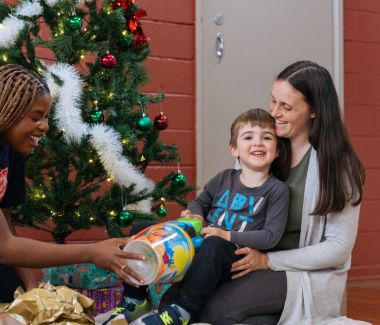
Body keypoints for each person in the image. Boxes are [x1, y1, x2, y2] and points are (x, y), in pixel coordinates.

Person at [195, 60, 366, 325]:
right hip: (248, 260)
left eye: (286, 107)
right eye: (273, 101)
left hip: (299, 274)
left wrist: (267, 261)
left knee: (216, 311)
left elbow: (338, 248)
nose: (274, 112)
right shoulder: (265, 146)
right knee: (201, 301)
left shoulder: (337, 166)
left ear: (314, 111)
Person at [103, 108, 290, 325]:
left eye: (267, 138)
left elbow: (271, 236)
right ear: (234, 149)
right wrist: (195, 215)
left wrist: (226, 235)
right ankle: (135, 300)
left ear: (277, 150)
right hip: (199, 244)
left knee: (214, 245)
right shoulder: (224, 178)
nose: (258, 143)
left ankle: (180, 312)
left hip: (230, 256)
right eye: (248, 137)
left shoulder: (277, 190)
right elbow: (200, 202)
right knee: (141, 230)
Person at [0, 64, 145, 303]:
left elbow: (5, 221)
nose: (45, 126)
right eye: (36, 117)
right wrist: (91, 251)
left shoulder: (10, 151)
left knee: (16, 296)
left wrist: (31, 286)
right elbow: (5, 248)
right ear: (7, 110)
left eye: (46, 117)